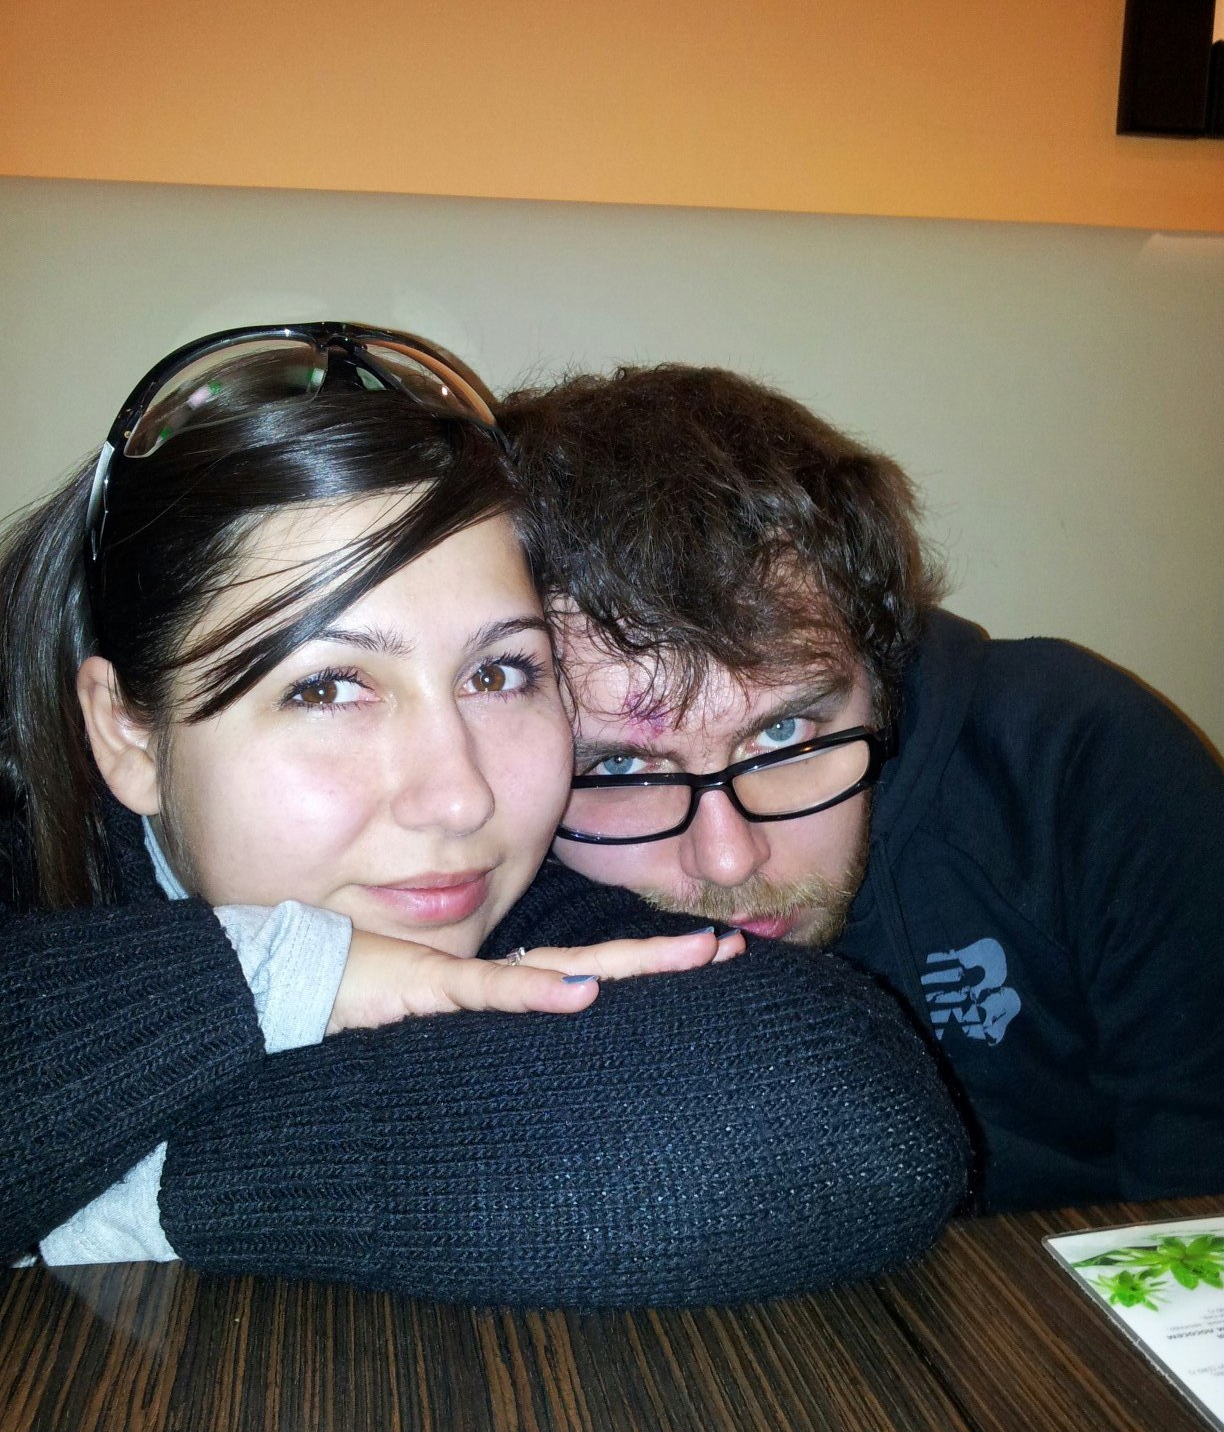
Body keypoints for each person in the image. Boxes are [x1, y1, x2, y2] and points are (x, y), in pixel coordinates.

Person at [0, 324, 968, 1307]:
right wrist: (274, 976)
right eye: (327, 688)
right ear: (128, 736)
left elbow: (845, 1116)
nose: (462, 796)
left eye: (499, 674)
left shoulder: (501, 890)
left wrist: (118, 1194)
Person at [500, 362, 1224, 1214]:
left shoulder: (1073, 759)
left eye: (783, 734)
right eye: (622, 768)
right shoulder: (483, 873)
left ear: (884, 676)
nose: (729, 860)